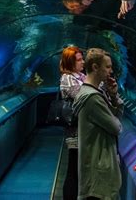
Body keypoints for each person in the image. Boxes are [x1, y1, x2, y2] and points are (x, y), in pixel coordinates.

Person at [72, 48, 124, 199]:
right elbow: (116, 127)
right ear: (95, 67)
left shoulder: (89, 92)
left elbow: (112, 118)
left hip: (94, 169)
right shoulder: (93, 98)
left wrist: (114, 96)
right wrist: (116, 118)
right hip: (99, 174)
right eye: (107, 67)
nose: (111, 71)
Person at [59, 46, 86, 200]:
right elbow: (82, 97)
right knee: (73, 170)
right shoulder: (67, 78)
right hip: (75, 132)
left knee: (80, 171)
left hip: (84, 131)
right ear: (70, 62)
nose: (83, 62)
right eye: (79, 60)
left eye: (82, 58)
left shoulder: (81, 76)